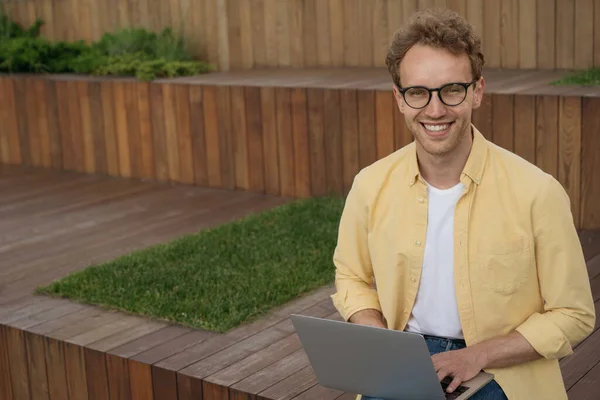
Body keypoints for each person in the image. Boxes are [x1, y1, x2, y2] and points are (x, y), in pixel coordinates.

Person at [330, 8, 596, 400]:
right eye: (418, 92)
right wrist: (377, 335)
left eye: (452, 90)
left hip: (500, 372)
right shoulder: (370, 185)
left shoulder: (538, 192)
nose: (435, 110)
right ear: (399, 99)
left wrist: (478, 355)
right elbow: (350, 275)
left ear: (478, 91)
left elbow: (575, 314)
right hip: (403, 359)